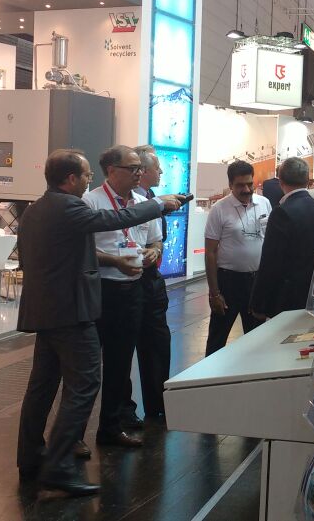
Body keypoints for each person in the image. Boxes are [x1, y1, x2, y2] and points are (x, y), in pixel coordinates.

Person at [16, 149, 182, 496]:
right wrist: (158, 204)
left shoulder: (35, 209)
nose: (89, 180)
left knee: (42, 386)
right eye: (86, 175)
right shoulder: (71, 207)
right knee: (86, 382)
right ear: (71, 179)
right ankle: (59, 464)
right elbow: (113, 220)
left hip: (46, 311)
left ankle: (31, 456)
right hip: (71, 312)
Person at [83, 145, 165, 449]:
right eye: (133, 168)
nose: (139, 173)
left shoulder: (144, 204)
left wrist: (152, 252)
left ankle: (111, 426)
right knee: (88, 367)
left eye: (140, 168)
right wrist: (114, 261)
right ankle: (73, 436)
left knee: (120, 363)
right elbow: (81, 250)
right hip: (101, 291)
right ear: (111, 171)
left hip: (133, 291)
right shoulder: (91, 202)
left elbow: (156, 241)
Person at [120, 146, 175, 423]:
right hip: (121, 284)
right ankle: (124, 412)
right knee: (121, 350)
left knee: (157, 343)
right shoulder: (100, 202)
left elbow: (156, 240)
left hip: (150, 281)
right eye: (155, 167)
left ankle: (158, 405)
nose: (160, 171)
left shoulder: (149, 201)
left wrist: (154, 249)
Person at [249, 158, 314, 320]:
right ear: (307, 181)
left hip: (286, 298)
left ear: (280, 181)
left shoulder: (282, 212)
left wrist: (258, 303)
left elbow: (271, 260)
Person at [204, 160, 272, 355]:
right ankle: (209, 373)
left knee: (257, 339)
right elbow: (210, 252)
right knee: (217, 338)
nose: (247, 189)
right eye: (240, 185)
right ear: (230, 184)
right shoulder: (219, 209)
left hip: (256, 282)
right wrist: (214, 293)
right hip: (228, 282)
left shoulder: (264, 203)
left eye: (250, 184)